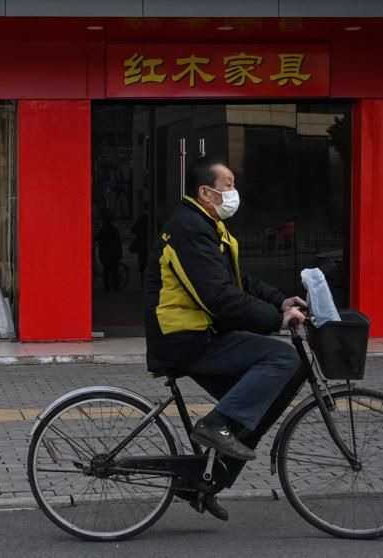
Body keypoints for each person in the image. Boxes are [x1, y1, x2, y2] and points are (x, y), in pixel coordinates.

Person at [144, 158, 307, 521]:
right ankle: (213, 426)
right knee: (281, 360)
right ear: (206, 192)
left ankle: (207, 480)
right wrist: (276, 321)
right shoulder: (188, 228)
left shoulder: (209, 227)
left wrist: (281, 300)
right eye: (228, 184)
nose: (234, 193)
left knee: (264, 400)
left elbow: (239, 281)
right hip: (183, 338)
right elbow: (218, 296)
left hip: (199, 334)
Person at [96, 210, 123, 292]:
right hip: (113, 253)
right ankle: (115, 287)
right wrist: (119, 252)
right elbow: (118, 242)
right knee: (114, 270)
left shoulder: (102, 230)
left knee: (106, 270)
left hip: (105, 254)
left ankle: (107, 287)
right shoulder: (114, 230)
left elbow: (97, 238)